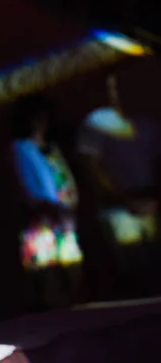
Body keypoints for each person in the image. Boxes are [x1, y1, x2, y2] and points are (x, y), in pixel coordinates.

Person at [77, 73, 160, 296]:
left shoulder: (147, 122)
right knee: (134, 267)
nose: (116, 94)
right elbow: (90, 165)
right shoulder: (97, 122)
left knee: (154, 262)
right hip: (117, 205)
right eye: (112, 89)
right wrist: (122, 198)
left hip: (149, 199)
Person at [10, 94, 84, 311]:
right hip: (40, 221)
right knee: (48, 279)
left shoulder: (52, 148)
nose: (41, 122)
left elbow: (64, 178)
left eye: (44, 117)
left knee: (73, 273)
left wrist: (69, 207)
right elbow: (26, 184)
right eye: (36, 117)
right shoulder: (20, 148)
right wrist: (47, 208)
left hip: (64, 219)